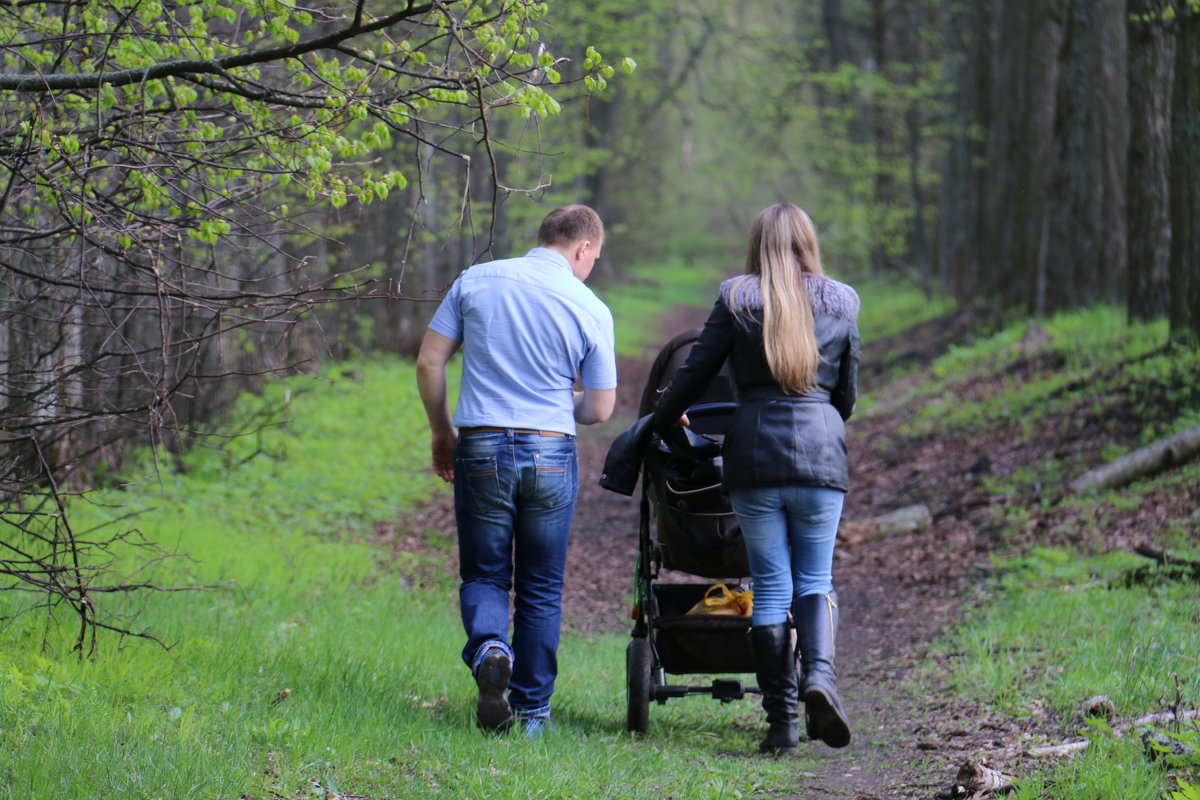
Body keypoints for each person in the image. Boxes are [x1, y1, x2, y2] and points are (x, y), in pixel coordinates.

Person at [652, 203, 860, 753]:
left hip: (753, 455)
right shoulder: (841, 300)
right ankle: (819, 677)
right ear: (808, 241)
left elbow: (695, 372)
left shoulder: (737, 297)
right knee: (814, 580)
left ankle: (781, 726)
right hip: (820, 453)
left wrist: (663, 415)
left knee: (771, 585)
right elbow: (848, 396)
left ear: (758, 243)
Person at [415, 205, 617, 737]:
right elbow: (600, 408)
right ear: (583, 248)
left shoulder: (476, 280)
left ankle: (489, 650)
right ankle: (532, 715)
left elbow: (429, 362)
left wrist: (442, 432)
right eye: (594, 256)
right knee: (541, 585)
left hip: (480, 445)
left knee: (484, 574)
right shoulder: (590, 305)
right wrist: (553, 402)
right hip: (550, 450)